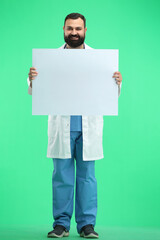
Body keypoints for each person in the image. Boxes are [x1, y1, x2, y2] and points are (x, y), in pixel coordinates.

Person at [27, 13, 122, 238]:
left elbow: (111, 95)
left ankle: (86, 225)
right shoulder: (49, 60)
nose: (74, 33)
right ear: (63, 29)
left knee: (87, 177)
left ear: (85, 30)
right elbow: (35, 92)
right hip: (62, 127)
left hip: (88, 126)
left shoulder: (100, 60)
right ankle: (61, 224)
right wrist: (32, 79)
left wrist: (116, 82)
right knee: (62, 176)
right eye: (70, 28)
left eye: (78, 28)